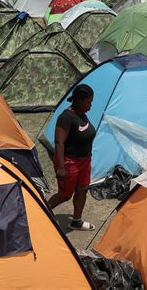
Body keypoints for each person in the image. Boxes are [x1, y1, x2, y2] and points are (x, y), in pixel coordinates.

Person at [48, 84, 96, 231]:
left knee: (82, 189)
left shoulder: (82, 113)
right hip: (69, 162)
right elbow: (59, 143)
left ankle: (76, 221)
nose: (90, 106)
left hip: (84, 160)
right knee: (65, 194)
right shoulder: (66, 117)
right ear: (79, 100)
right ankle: (43, 212)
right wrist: (61, 167)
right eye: (88, 102)